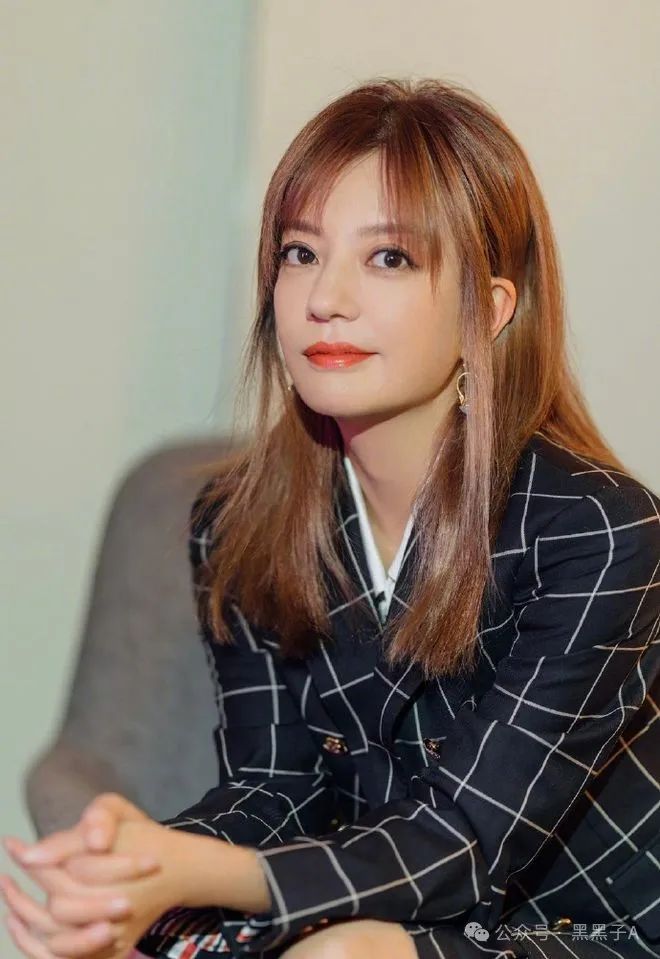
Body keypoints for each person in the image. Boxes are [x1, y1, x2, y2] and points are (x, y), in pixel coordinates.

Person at [2, 77, 659, 959]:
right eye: (300, 252)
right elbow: (274, 788)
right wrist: (143, 874)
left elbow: (465, 840)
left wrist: (197, 875)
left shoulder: (598, 531)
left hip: (599, 929)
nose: (325, 297)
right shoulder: (236, 523)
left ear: (491, 308)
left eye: (388, 258)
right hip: (391, 909)